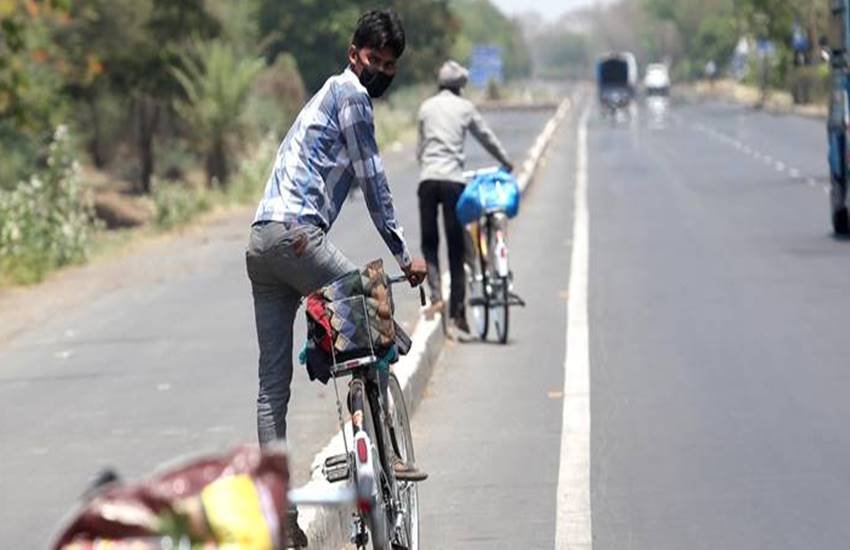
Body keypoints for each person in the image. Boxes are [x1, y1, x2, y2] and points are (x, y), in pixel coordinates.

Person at [245, 10, 427, 547]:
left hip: (260, 243)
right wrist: (402, 254)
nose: (380, 72)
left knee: (271, 389)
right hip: (298, 237)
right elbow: (373, 181)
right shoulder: (351, 97)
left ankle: (283, 524)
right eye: (374, 60)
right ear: (354, 55)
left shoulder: (323, 97)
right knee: (377, 315)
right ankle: (384, 449)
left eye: (389, 65)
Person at [416, 60, 513, 335]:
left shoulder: (425, 107)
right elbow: (486, 137)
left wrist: (428, 164)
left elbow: (420, 149)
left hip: (427, 180)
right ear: (460, 87)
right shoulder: (465, 108)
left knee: (430, 241)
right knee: (456, 246)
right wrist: (506, 161)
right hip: (453, 183)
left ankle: (436, 295)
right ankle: (458, 309)